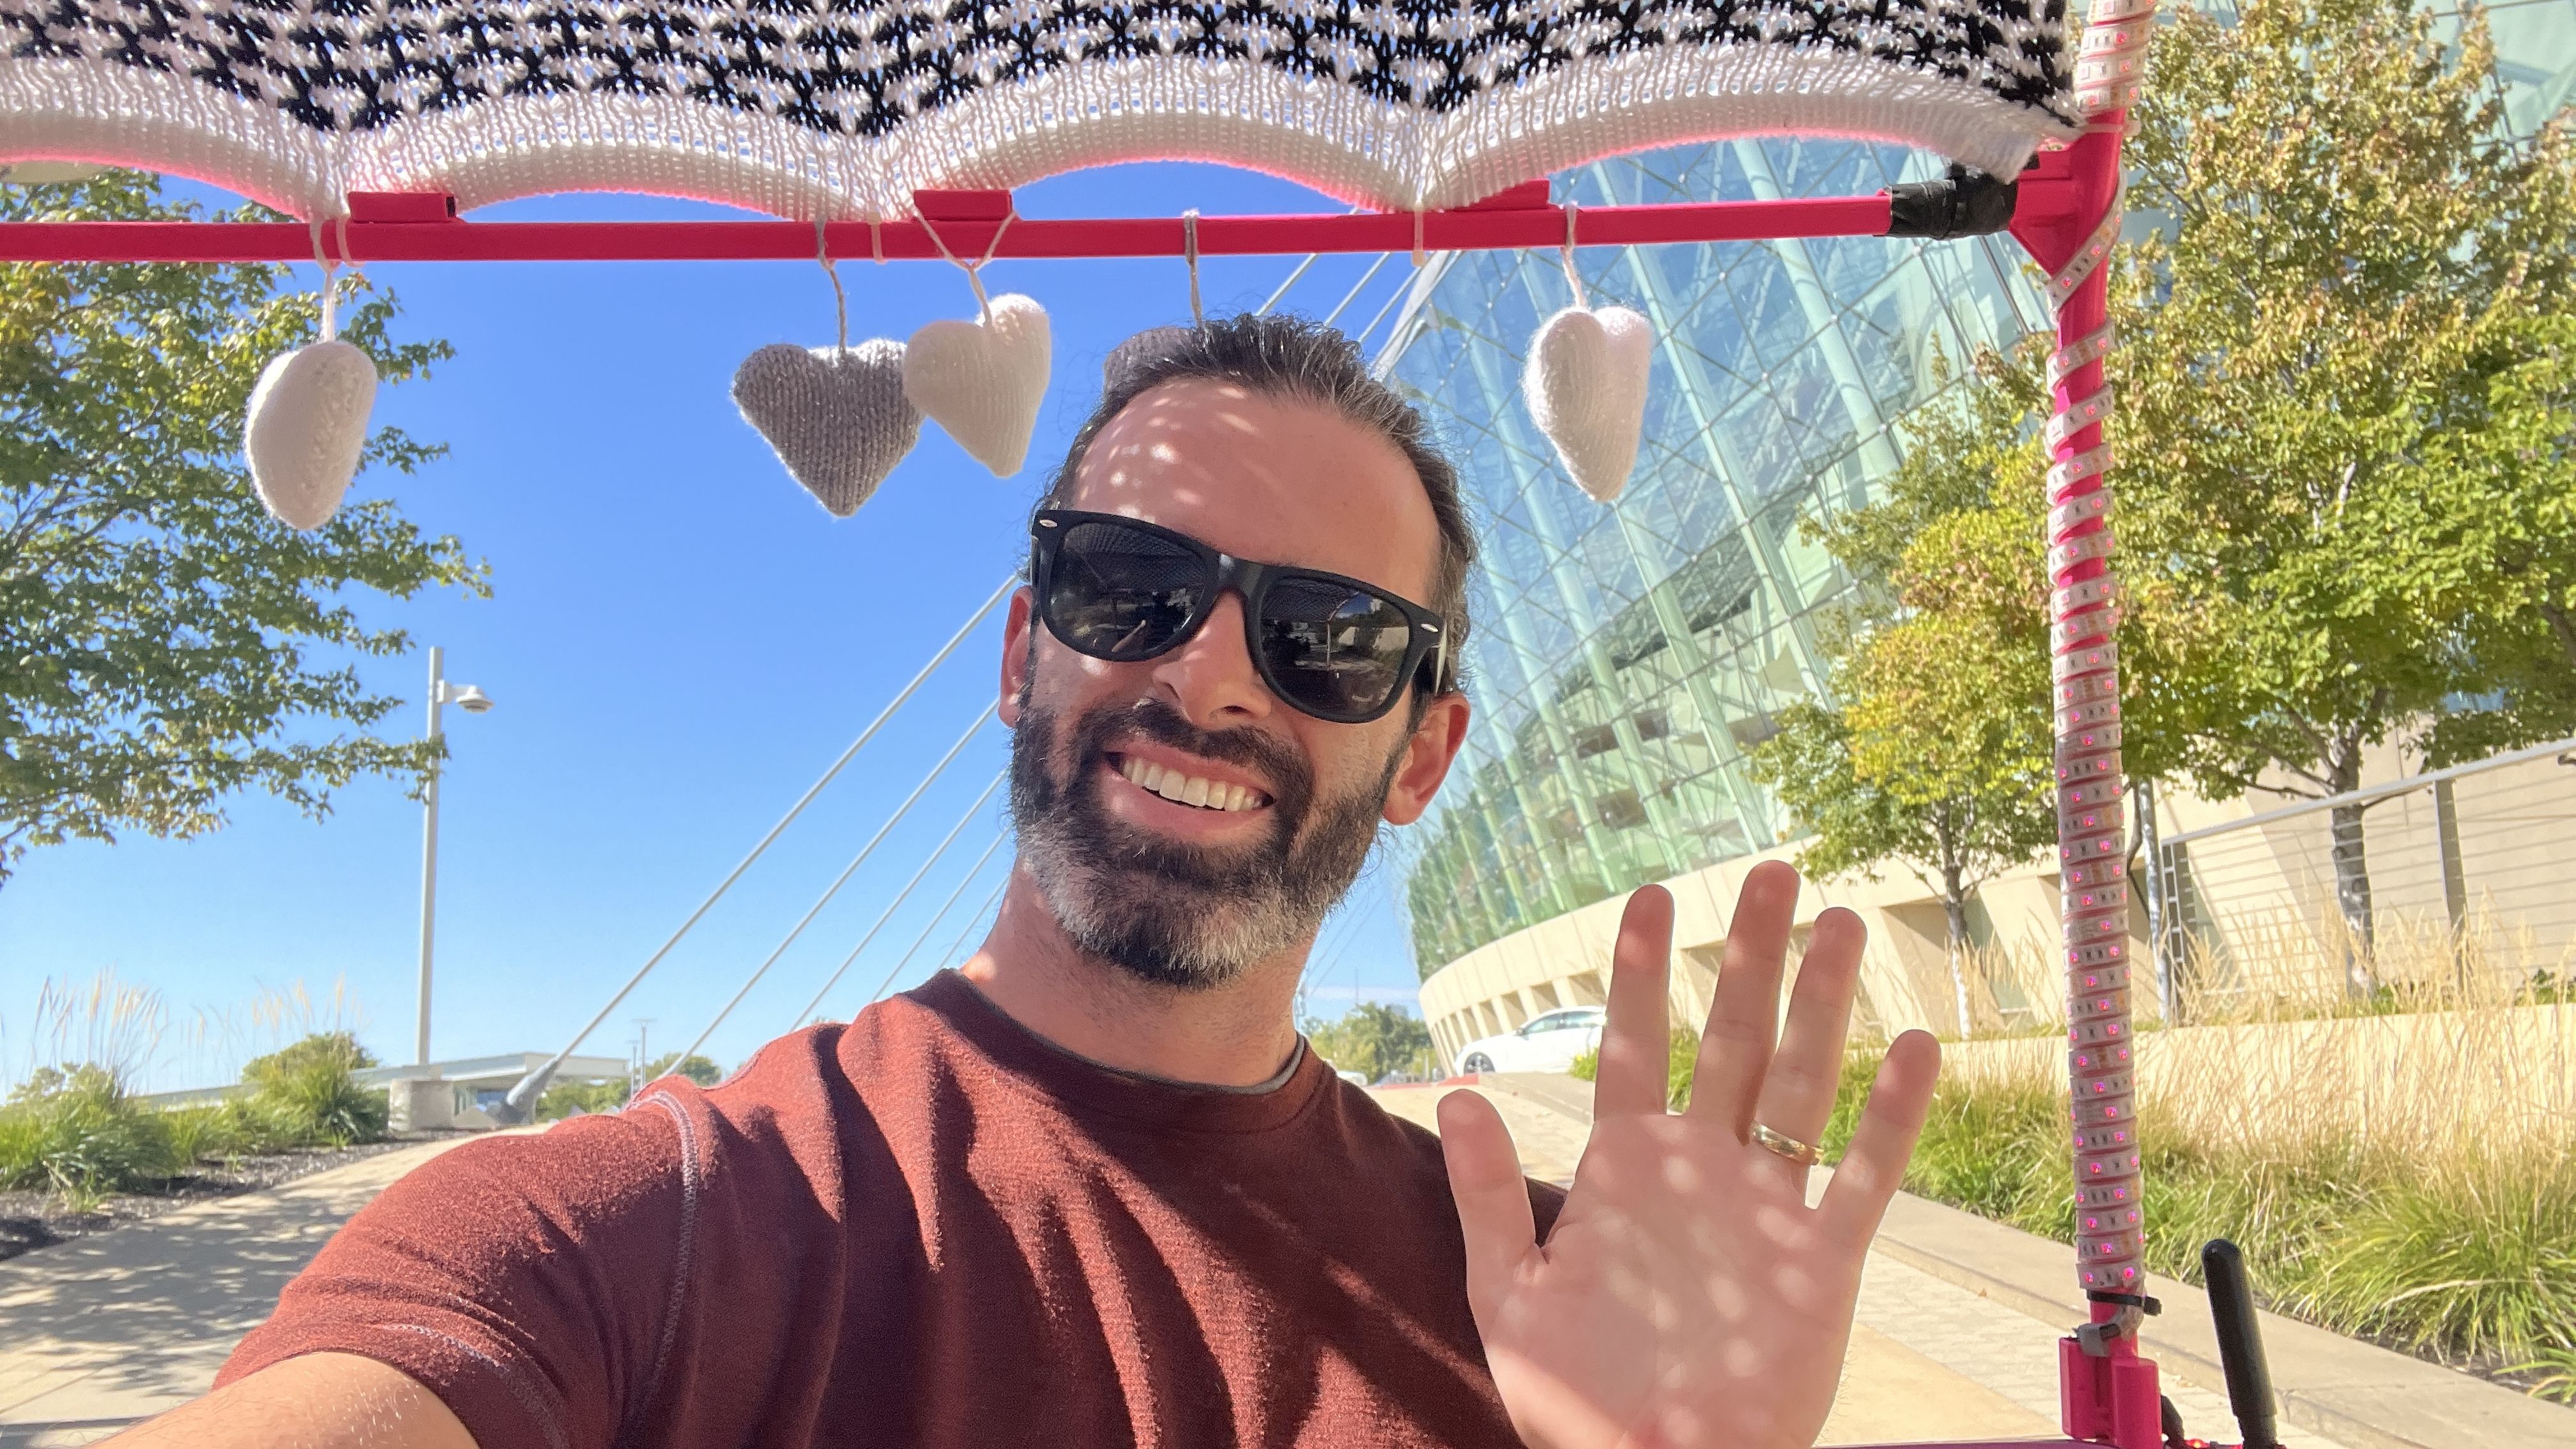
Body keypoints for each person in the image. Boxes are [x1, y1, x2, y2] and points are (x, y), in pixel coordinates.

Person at [109, 315, 1938, 1449]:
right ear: (1017, 653)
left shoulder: (1545, 1291)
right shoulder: (669, 1233)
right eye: (1129, 582)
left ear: (1426, 753)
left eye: (1330, 636)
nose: (1214, 675)